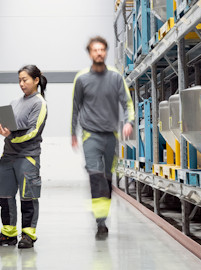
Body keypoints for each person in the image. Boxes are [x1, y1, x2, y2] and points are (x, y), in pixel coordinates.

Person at [71, 36, 134, 240]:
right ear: (90, 53)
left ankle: (102, 215)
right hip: (90, 135)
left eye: (102, 49)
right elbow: (75, 107)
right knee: (95, 176)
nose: (99, 53)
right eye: (95, 50)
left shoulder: (116, 77)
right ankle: (101, 223)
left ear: (106, 52)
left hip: (111, 137)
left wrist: (128, 122)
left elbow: (127, 103)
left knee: (107, 180)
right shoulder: (81, 79)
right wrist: (73, 132)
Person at [0, 65, 48, 249]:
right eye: (19, 80)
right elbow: (10, 125)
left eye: (25, 80)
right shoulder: (15, 102)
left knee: (27, 197)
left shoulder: (39, 103)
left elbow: (33, 131)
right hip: (8, 156)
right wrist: (0, 127)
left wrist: (10, 136)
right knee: (5, 197)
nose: (21, 84)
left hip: (27, 157)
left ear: (36, 80)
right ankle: (8, 234)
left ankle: (28, 235)